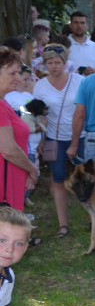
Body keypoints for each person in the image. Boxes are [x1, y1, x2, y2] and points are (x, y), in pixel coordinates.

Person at [33, 44, 83, 236]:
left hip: (81, 135)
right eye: (50, 63)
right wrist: (40, 137)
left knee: (86, 179)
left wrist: (76, 141)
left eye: (57, 62)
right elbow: (38, 114)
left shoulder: (79, 81)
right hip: (54, 138)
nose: (54, 66)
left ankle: (93, 217)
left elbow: (84, 109)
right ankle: (63, 225)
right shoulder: (40, 86)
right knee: (58, 179)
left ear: (65, 62)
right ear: (45, 64)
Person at [0, 49, 39, 212]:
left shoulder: (4, 103)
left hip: (11, 178)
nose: (18, 78)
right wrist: (32, 169)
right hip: (4, 182)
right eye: (12, 73)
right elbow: (8, 149)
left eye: (18, 72)